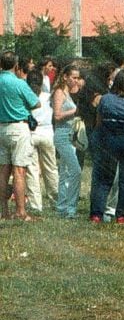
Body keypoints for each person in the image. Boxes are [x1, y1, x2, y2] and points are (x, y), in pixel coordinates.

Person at [89, 71, 124, 224]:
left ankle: (97, 213)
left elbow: (99, 121)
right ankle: (121, 215)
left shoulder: (105, 99)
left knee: (102, 178)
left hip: (107, 139)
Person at [24, 68, 58, 216]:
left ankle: (35, 204)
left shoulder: (26, 96)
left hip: (31, 132)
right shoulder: (48, 96)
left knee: (32, 170)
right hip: (47, 132)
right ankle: (56, 199)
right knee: (50, 168)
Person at [51, 64, 82, 218]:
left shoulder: (68, 92)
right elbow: (56, 116)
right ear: (65, 77)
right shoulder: (59, 93)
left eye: (78, 77)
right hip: (62, 135)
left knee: (65, 172)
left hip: (70, 134)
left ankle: (62, 206)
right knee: (76, 170)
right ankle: (70, 207)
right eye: (73, 77)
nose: (76, 81)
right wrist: (74, 111)